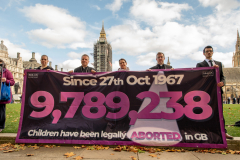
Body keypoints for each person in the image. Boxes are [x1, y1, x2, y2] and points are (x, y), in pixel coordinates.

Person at [196, 45, 233, 139]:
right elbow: (199, 78)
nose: (209, 52)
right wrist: (211, 69)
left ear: (212, 52)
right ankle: (207, 132)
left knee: (219, 112)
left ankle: (224, 132)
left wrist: (222, 83)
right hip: (206, 93)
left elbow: (222, 76)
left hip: (218, 92)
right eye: (207, 51)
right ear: (204, 53)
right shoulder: (200, 65)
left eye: (210, 51)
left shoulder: (219, 64)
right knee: (206, 112)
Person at [0, 59, 15, 132]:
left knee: (1, 111)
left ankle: (1, 126)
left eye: (1, 64)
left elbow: (12, 82)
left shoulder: (7, 72)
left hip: (2, 94)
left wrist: (5, 80)